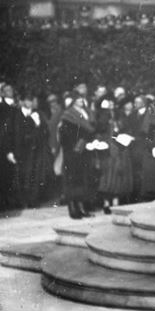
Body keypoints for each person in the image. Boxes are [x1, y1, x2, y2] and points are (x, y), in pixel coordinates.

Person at [59, 88, 96, 218]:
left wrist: (88, 141)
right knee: (72, 180)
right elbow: (64, 136)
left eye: (82, 98)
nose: (81, 100)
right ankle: (73, 209)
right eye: (78, 98)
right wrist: (78, 144)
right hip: (73, 152)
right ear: (73, 101)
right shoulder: (68, 115)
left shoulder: (86, 113)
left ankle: (82, 207)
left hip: (84, 150)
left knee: (82, 180)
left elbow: (91, 130)